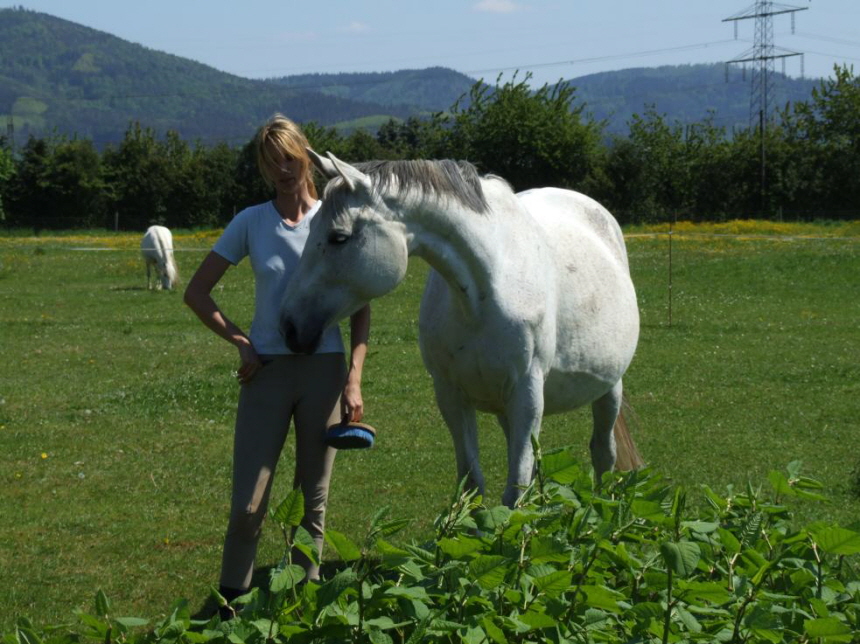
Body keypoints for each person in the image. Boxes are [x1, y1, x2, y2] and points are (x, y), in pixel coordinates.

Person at [183, 113, 371, 610]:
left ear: (305, 156)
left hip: (325, 373)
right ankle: (231, 605)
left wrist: (353, 379)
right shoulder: (250, 222)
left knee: (313, 501)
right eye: (271, 163)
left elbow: (360, 302)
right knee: (249, 505)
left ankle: (302, 604)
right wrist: (242, 342)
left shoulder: (335, 218)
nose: (282, 171)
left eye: (289, 159)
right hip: (266, 373)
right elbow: (197, 292)